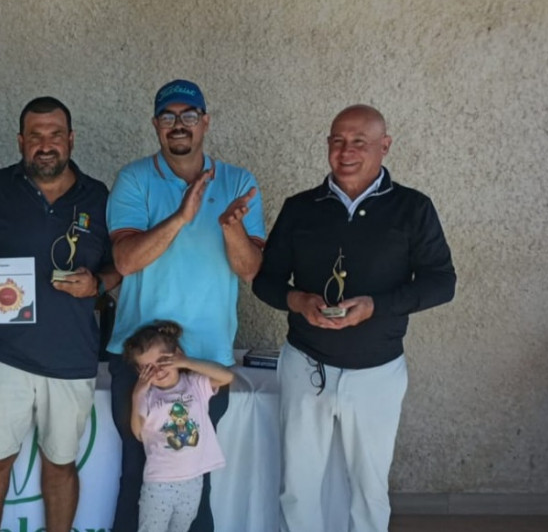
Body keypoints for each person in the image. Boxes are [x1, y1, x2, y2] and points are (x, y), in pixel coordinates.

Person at [251, 105, 456, 532]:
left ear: (385, 146)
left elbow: (441, 282)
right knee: (298, 487)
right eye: (337, 141)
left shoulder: (412, 208)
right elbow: (264, 282)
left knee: (369, 489)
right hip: (306, 364)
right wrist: (298, 301)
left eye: (359, 142)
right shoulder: (301, 207)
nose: (346, 151)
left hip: (377, 372)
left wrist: (376, 306)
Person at [0, 96, 120, 532]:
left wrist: (98, 284)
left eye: (55, 135)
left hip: (71, 356)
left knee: (61, 466)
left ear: (71, 139)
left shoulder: (98, 196)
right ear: (21, 141)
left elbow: (121, 264)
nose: (46, 145)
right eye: (36, 136)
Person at [105, 79, 265, 532]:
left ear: (205, 123)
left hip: (204, 362)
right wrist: (181, 217)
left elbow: (250, 270)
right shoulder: (134, 179)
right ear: (156, 125)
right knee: (138, 475)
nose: (180, 125)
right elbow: (124, 259)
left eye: (189, 116)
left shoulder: (237, 182)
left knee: (195, 481)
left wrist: (231, 227)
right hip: (141, 361)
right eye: (169, 117)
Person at [124, 321, 233, 532]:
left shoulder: (194, 384)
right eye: (148, 367)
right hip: (159, 484)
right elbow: (138, 433)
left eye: (162, 361)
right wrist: (137, 395)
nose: (157, 371)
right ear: (140, 371)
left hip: (193, 482)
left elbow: (226, 376)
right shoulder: (147, 396)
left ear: (176, 354)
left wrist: (188, 362)